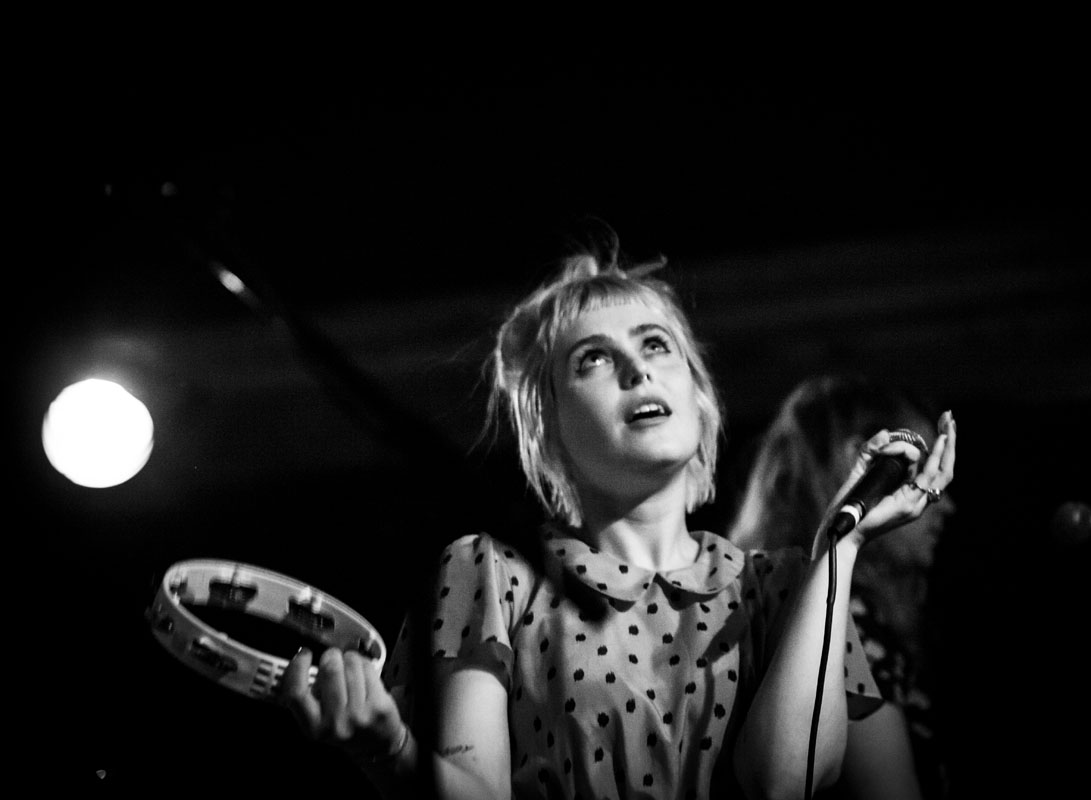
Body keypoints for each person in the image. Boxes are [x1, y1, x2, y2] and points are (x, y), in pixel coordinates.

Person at [277, 224, 958, 799]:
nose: (637, 370)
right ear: (548, 427)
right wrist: (390, 748)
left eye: (656, 345)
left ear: (698, 393)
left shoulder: (794, 587)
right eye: (594, 359)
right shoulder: (491, 576)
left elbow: (784, 780)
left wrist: (839, 547)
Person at [726, 373, 957, 800]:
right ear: (869, 468)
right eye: (923, 472)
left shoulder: (778, 599)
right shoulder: (843, 619)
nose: (946, 505)